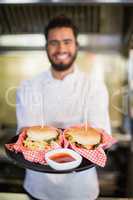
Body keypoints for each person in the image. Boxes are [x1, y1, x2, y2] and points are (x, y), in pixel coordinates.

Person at [16, 15, 111, 200]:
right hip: (38, 187)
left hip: (81, 189)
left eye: (67, 42)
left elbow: (101, 135)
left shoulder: (94, 86)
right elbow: (25, 133)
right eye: (54, 42)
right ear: (46, 47)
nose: (61, 49)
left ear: (76, 45)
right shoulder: (28, 86)